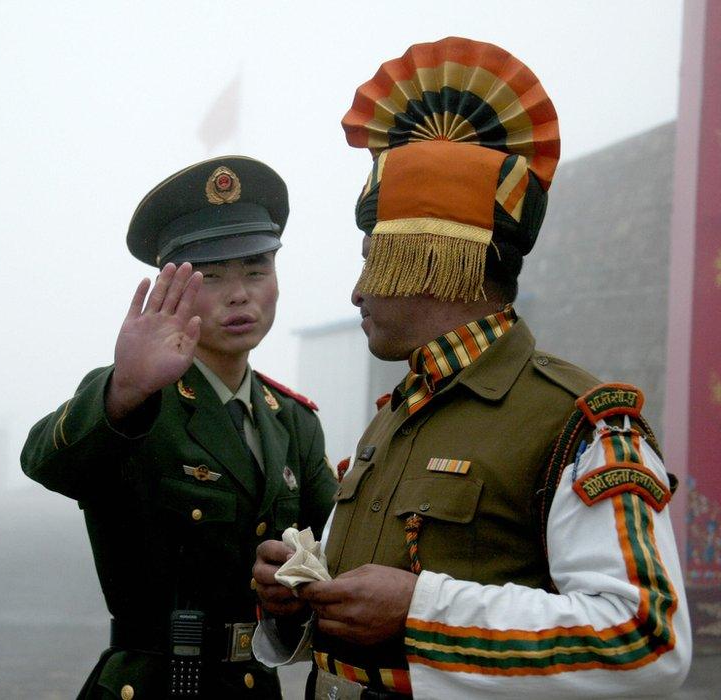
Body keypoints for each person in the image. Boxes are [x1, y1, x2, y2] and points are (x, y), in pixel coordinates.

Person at [252, 37, 691, 698]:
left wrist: (423, 610)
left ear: (427, 256)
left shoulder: (579, 424)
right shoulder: (394, 418)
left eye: (372, 257)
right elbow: (364, 636)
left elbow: (645, 639)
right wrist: (299, 602)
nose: (356, 291)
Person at [21, 156, 337, 699]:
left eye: (257, 270)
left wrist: (295, 586)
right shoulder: (137, 400)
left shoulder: (294, 422)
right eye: (212, 276)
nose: (240, 294)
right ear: (173, 287)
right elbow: (46, 461)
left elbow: (334, 549)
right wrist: (124, 388)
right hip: (154, 684)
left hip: (254, 684)